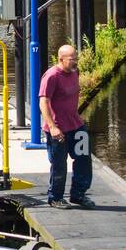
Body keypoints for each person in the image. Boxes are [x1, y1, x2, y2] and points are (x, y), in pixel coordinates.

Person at [40, 44, 94, 209]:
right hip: (58, 129)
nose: (75, 62)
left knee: (83, 158)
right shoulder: (51, 76)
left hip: (76, 125)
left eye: (76, 58)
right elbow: (44, 102)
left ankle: (78, 194)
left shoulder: (74, 72)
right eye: (72, 59)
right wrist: (53, 126)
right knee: (59, 164)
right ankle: (55, 197)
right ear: (61, 59)